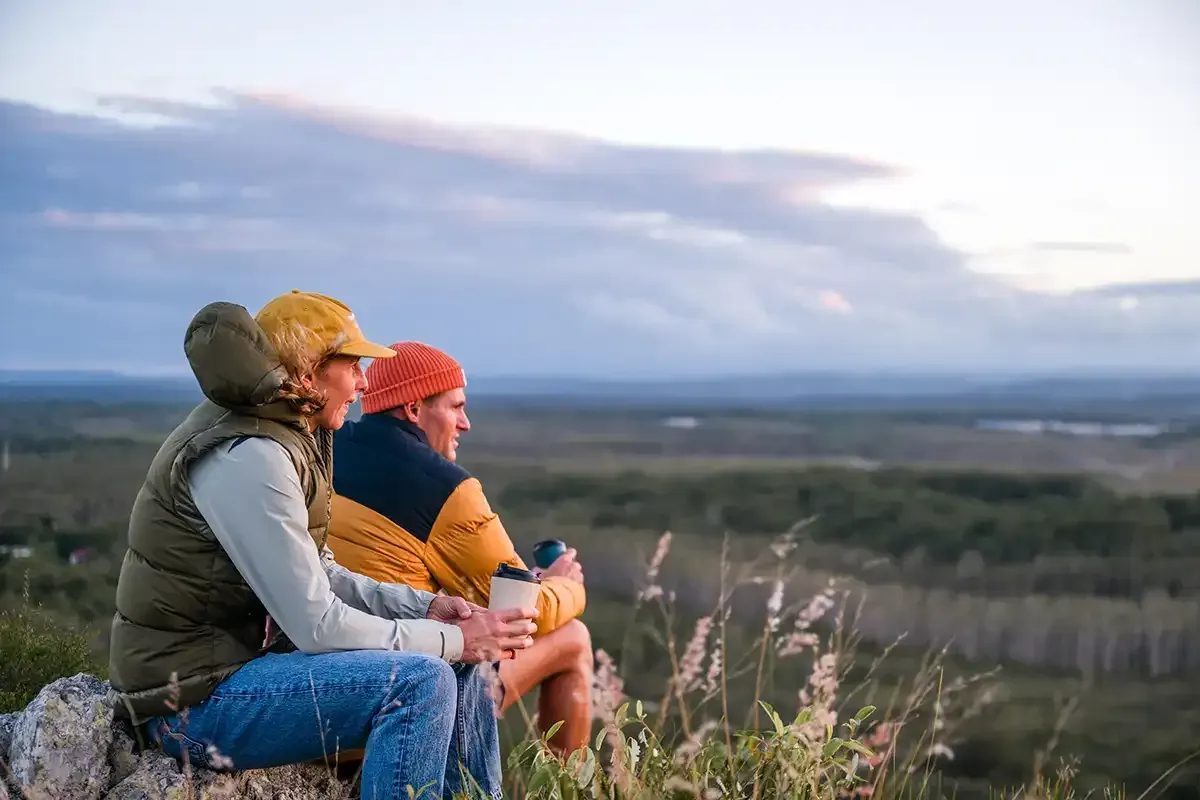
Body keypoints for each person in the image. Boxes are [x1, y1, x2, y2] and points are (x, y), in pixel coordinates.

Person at [106, 292, 537, 800]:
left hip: (238, 672)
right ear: (308, 374)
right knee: (421, 682)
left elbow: (320, 572)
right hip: (190, 705)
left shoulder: (289, 434)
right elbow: (316, 625)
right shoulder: (248, 455)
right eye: (352, 365)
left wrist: (427, 609)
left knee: (461, 659)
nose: (363, 383)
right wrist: (454, 640)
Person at [325, 341, 592, 757]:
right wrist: (567, 585)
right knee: (573, 637)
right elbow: (526, 612)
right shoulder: (445, 488)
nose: (465, 423)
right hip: (403, 701)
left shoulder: (325, 449)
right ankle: (567, 783)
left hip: (322, 694)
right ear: (414, 408)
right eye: (456, 407)